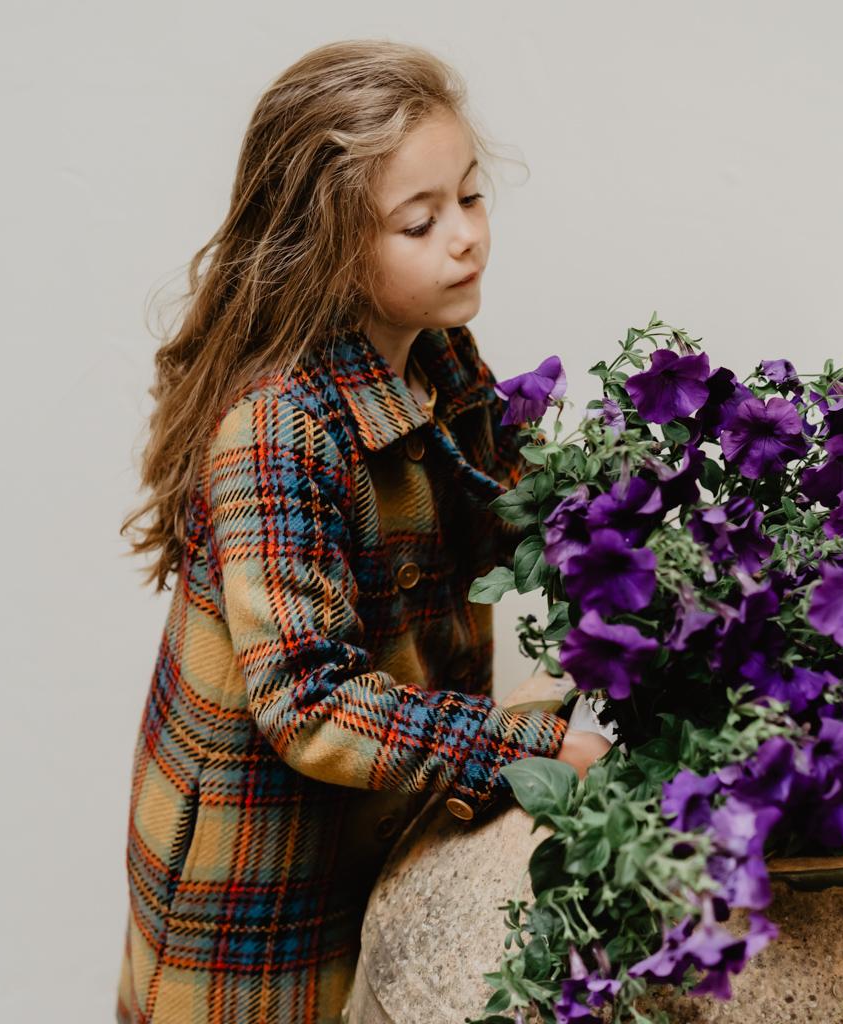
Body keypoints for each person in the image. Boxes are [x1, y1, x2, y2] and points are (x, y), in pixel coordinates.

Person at [113, 40, 612, 1024]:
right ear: (330, 244)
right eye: (419, 221)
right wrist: (527, 742)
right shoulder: (278, 429)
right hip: (252, 880)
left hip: (385, 818)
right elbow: (310, 705)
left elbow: (509, 507)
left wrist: (639, 550)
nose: (464, 237)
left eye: (469, 199)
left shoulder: (438, 352)